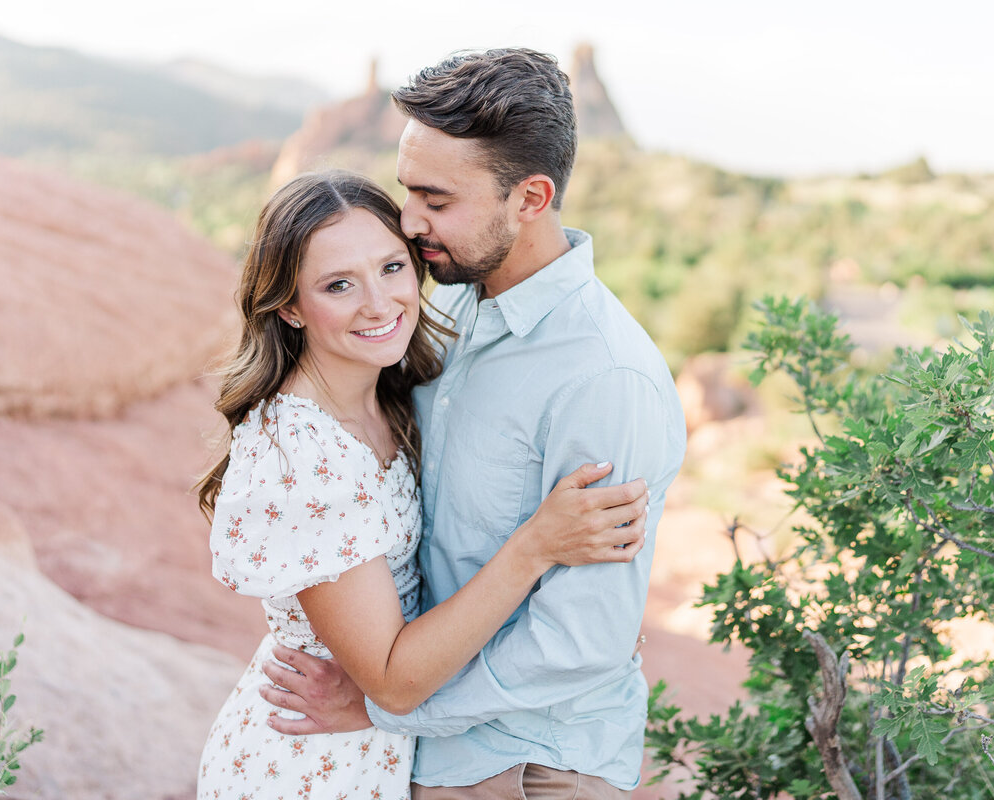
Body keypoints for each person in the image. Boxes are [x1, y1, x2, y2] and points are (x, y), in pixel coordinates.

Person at [258, 49, 688, 798]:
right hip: (423, 748)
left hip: (531, 764)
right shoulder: (445, 304)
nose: (410, 222)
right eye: (406, 192)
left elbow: (580, 640)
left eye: (436, 199)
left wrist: (385, 708)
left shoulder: (604, 380)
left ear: (530, 198)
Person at [194, 170, 652, 800]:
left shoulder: (387, 392)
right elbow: (392, 680)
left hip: (386, 750)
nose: (378, 304)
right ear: (290, 307)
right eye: (337, 285)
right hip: (313, 762)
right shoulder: (303, 457)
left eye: (390, 268)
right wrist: (536, 547)